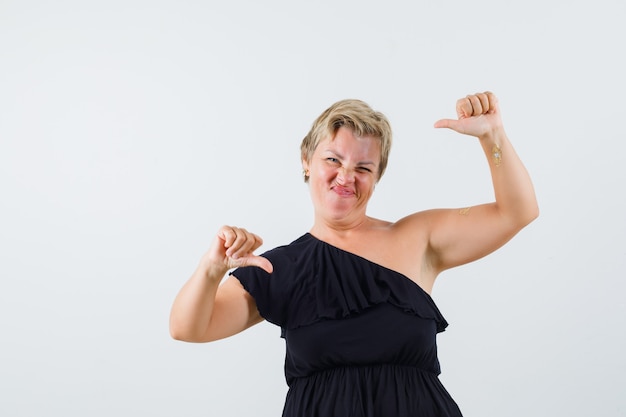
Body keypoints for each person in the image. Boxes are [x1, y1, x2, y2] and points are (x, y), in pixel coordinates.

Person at [169, 91, 539, 416]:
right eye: (333, 160)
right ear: (306, 160)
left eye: (363, 167)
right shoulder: (277, 268)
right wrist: (210, 269)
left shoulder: (418, 238)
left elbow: (517, 212)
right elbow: (187, 328)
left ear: (377, 176)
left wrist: (493, 136)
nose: (346, 177)